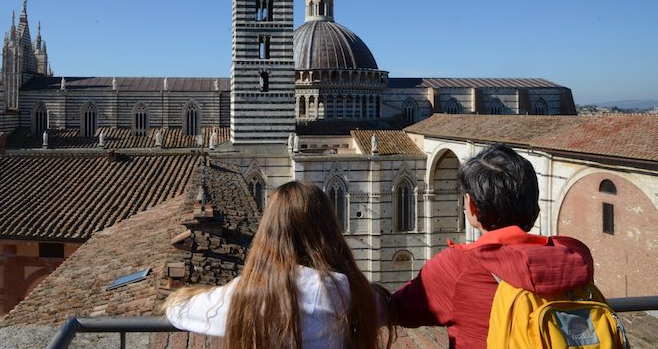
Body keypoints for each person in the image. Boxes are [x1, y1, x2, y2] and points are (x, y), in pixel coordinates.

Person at [390, 144, 595, 348]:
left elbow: (391, 310)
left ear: (471, 205)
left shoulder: (458, 266)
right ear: (535, 204)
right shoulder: (576, 256)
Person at [165, 181, 395, 348]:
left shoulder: (244, 295)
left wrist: (192, 292)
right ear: (328, 231)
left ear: (268, 231)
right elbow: (388, 308)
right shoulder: (349, 292)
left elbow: (178, 311)